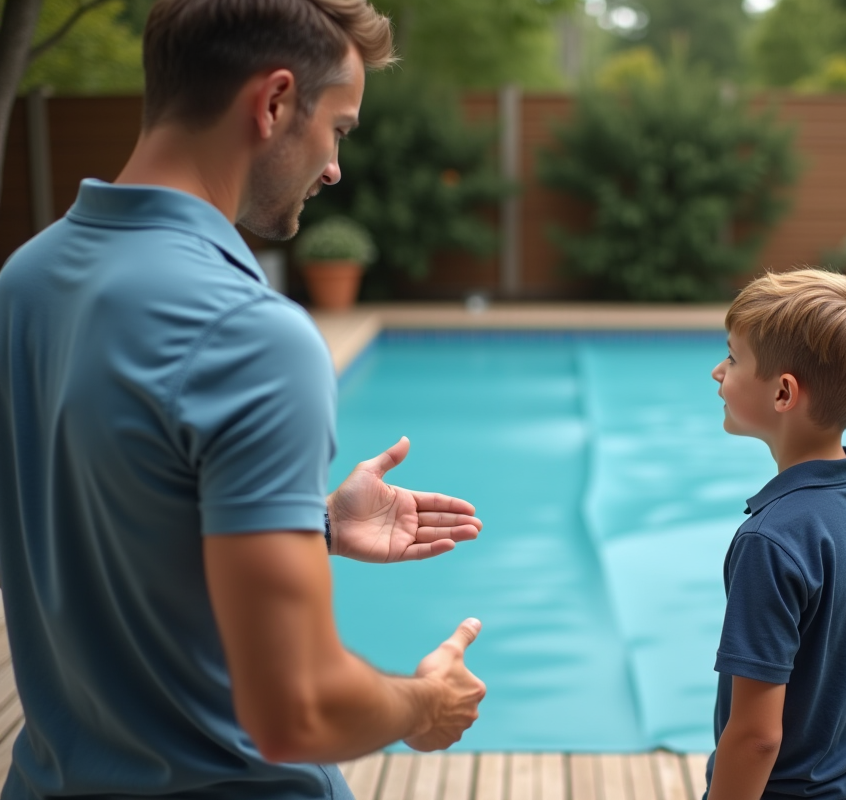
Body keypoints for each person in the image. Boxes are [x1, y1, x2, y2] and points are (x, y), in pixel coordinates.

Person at [0, 1, 487, 798]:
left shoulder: (26, 281)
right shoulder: (252, 335)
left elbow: (85, 534)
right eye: (339, 128)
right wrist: (423, 704)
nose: (334, 167)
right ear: (273, 103)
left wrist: (313, 526)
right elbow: (293, 710)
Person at [705, 269, 846, 800]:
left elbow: (755, 738)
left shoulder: (770, 542)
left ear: (783, 392)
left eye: (732, 358)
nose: (717, 372)